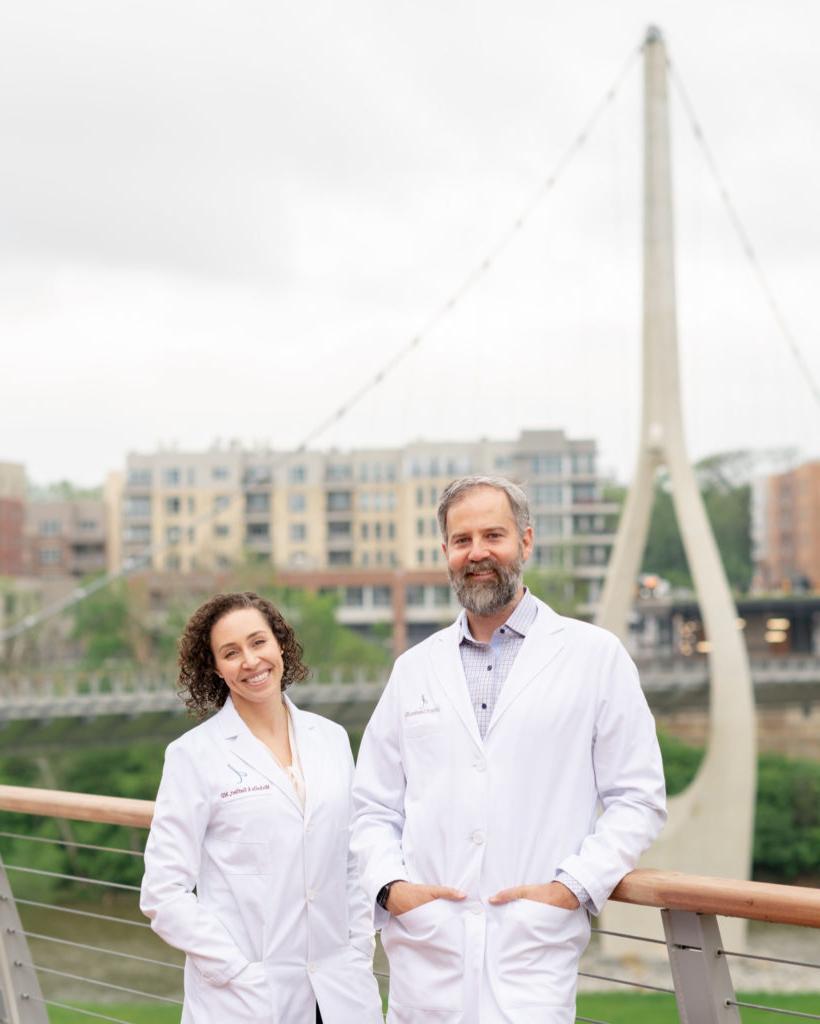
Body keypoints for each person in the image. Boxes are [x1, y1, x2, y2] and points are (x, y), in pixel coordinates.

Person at [352, 477, 667, 1024]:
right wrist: (391, 888)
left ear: (525, 541)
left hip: (531, 953)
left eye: (492, 535)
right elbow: (372, 806)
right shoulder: (415, 669)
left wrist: (572, 888)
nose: (477, 553)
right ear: (446, 553)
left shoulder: (595, 656)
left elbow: (637, 798)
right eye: (461, 539)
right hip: (427, 955)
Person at [140, 591, 383, 1024]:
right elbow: (163, 893)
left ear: (281, 644)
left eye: (258, 642)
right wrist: (235, 971)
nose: (250, 661)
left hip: (339, 990)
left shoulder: (330, 738)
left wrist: (359, 950)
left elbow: (351, 861)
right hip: (250, 998)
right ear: (215, 667)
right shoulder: (194, 755)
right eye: (230, 652)